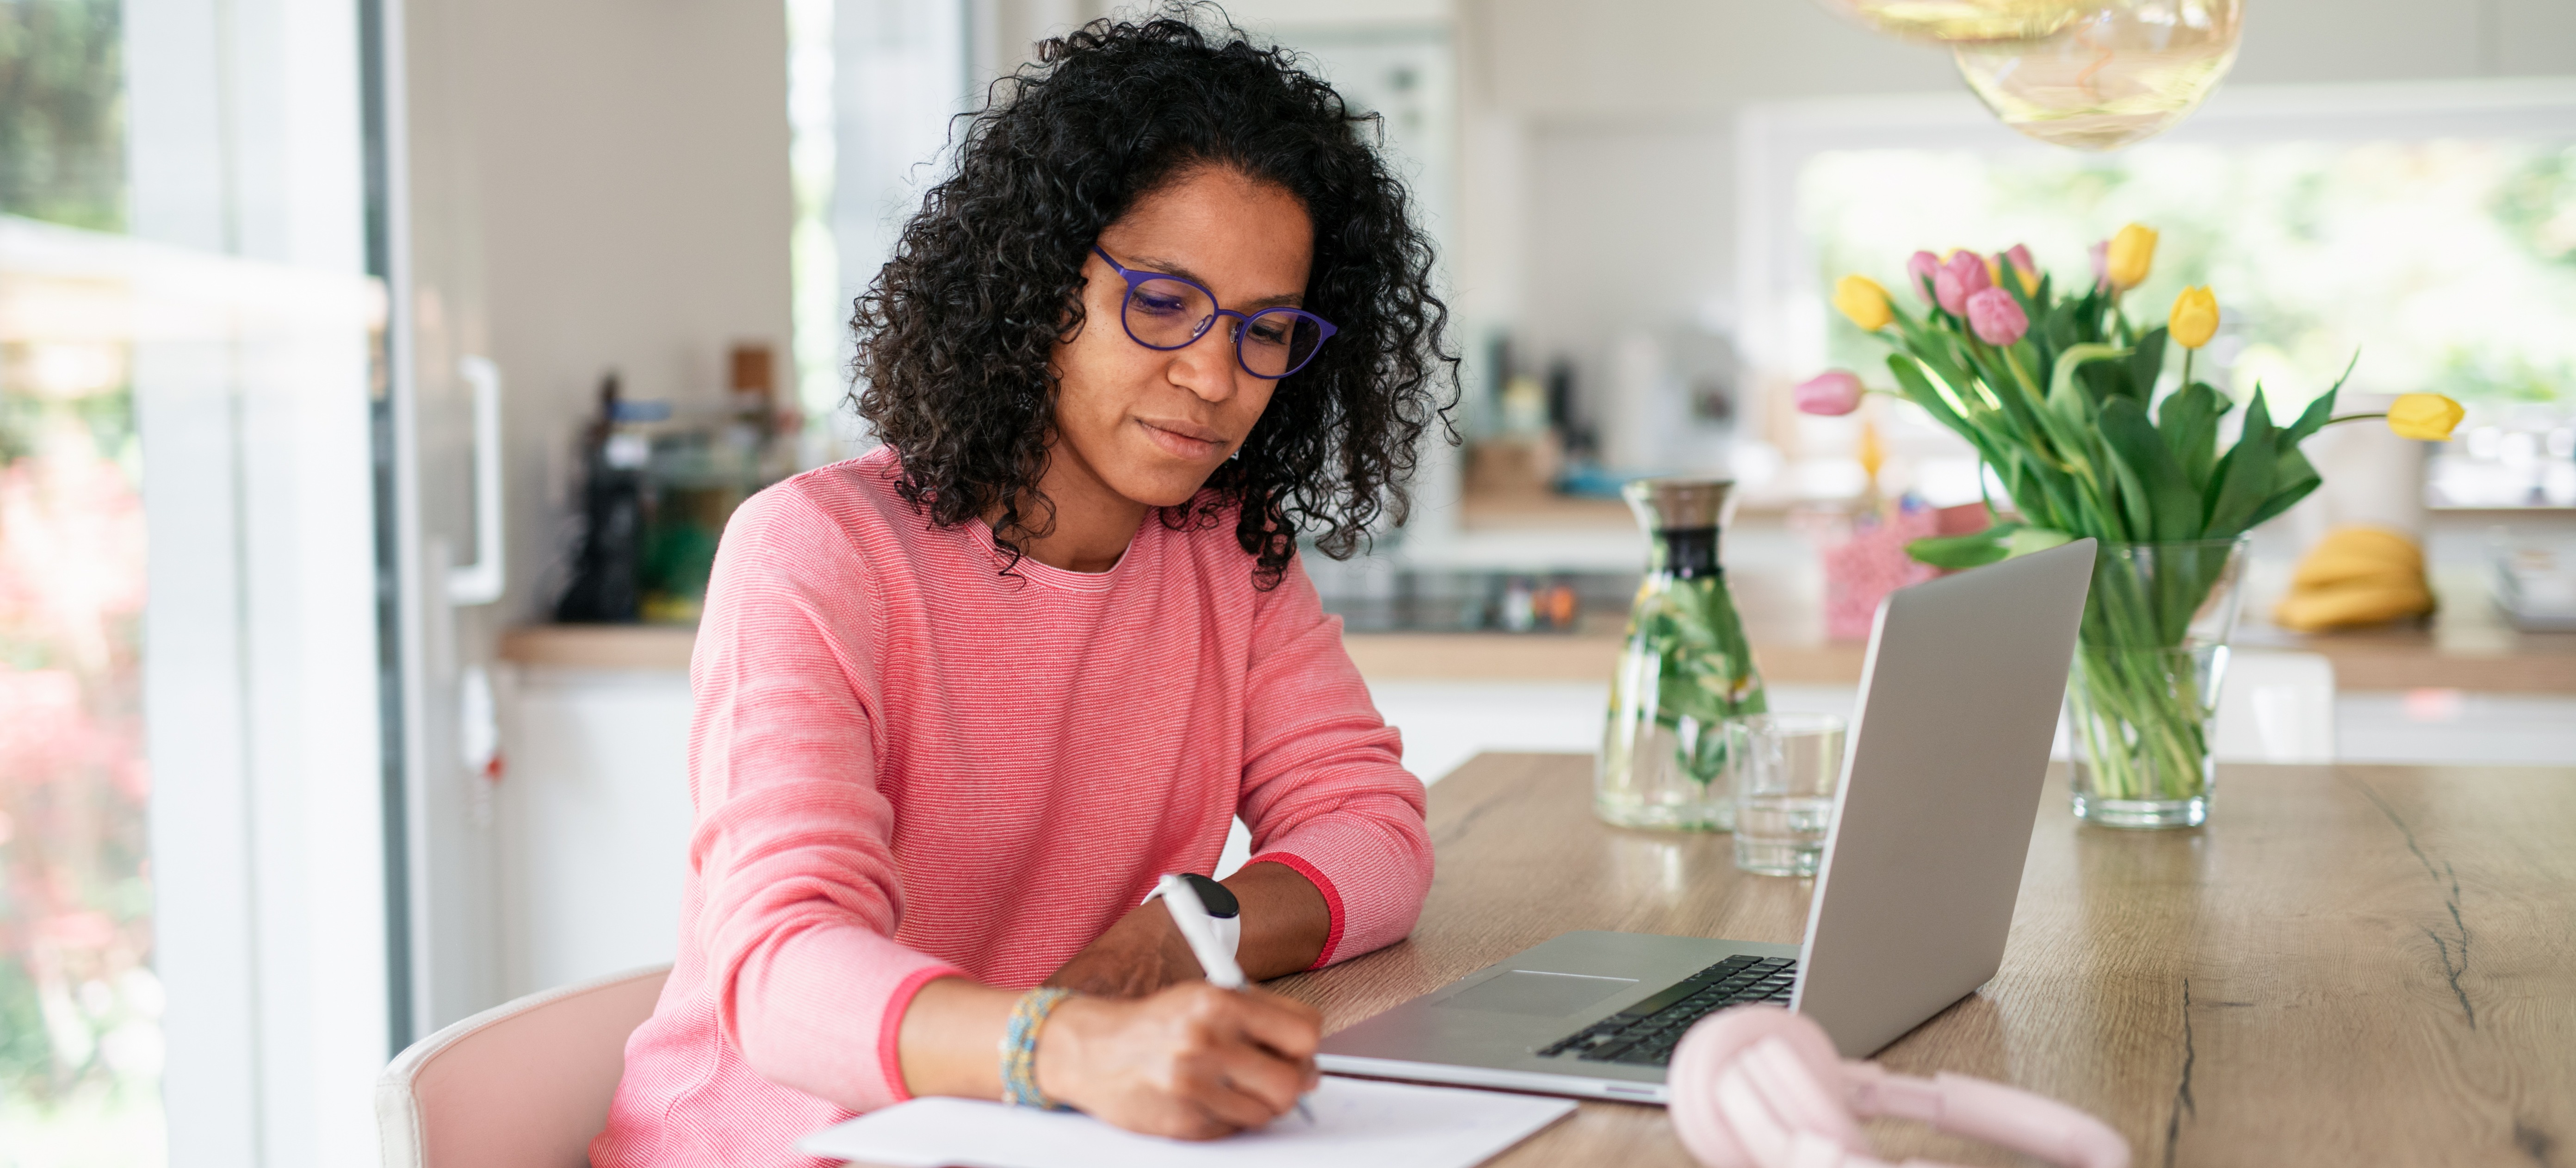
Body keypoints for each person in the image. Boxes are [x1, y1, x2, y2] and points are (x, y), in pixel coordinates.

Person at [591, 9, 1455, 1163]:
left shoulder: (1227, 553)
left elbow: (1373, 833)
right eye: (1160, 302)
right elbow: (782, 967)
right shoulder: (818, 551)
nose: (1212, 375)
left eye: (1265, 330)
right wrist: (1067, 1045)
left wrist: (1179, 931)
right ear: (1040, 282)